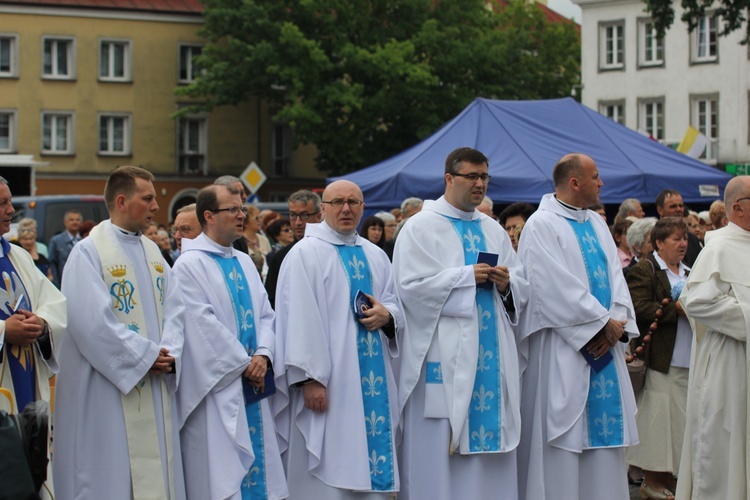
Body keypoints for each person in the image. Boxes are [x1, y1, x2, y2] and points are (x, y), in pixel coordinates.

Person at [394, 147, 529, 499]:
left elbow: (521, 283)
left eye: (484, 176)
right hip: (444, 353)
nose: (480, 184)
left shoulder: (493, 229)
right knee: (440, 454)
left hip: (491, 352)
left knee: (492, 455)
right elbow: (409, 288)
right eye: (472, 176)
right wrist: (465, 276)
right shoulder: (420, 227)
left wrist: (505, 283)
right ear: (449, 179)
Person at [53, 166, 186, 500]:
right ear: (123, 201)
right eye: (149, 198)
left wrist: (168, 352)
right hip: (109, 389)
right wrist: (143, 356)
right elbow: (90, 324)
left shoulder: (154, 252)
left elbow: (177, 310)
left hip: (154, 379)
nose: (157, 207)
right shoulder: (89, 253)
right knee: (112, 474)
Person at [517, 153, 639, 500]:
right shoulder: (541, 225)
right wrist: (600, 324)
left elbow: (617, 279)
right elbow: (548, 286)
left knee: (604, 448)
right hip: (564, 349)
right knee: (564, 445)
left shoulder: (598, 223)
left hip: (604, 348)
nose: (601, 183)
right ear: (575, 182)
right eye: (596, 177)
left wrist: (617, 323)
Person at [274, 180, 403, 499]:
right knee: (326, 466)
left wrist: (388, 316)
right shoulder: (305, 253)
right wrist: (310, 379)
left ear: (363, 208)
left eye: (353, 202)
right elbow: (299, 317)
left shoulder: (375, 255)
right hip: (328, 384)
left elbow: (395, 301)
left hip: (373, 380)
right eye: (338, 203)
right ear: (323, 209)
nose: (346, 209)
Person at [173, 185, 287, 500]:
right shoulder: (189, 265)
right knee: (222, 474)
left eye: (242, 209)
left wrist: (263, 355)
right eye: (233, 210)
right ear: (209, 216)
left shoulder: (244, 261)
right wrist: (244, 362)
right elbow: (200, 323)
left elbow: (266, 314)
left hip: (254, 380)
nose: (242, 215)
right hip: (218, 386)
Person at [676, 176, 750, 500]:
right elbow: (697, 302)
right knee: (726, 450)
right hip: (730, 364)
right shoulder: (718, 246)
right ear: (738, 207)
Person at [0, 177, 66, 499]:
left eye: (10, 201)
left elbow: (55, 304)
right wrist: (3, 332)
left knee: (28, 476)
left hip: (26, 385)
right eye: (2, 203)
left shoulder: (18, 257)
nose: (11, 210)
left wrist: (41, 323)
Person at [625, 218, 691, 500]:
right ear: (659, 243)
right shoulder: (646, 269)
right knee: (659, 424)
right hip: (661, 360)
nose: (683, 244)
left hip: (689, 357)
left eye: (685, 238)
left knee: (680, 425)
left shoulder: (691, 270)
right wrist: (676, 309)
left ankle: (671, 480)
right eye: (676, 239)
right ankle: (652, 481)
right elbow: (638, 308)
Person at [264, 190, 322, 309]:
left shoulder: (331, 253)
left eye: (304, 215)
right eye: (293, 215)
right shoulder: (281, 257)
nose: (298, 222)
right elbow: (271, 301)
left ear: (319, 216)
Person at [655, 190, 701, 266]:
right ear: (660, 210)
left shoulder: (693, 239)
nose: (678, 209)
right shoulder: (652, 237)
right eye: (673, 206)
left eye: (681, 206)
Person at [48, 209, 82, 287]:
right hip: (64, 284)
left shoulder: (84, 241)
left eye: (77, 220)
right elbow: (52, 265)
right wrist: (57, 285)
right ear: (65, 222)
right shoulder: (56, 241)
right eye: (71, 220)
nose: (75, 222)